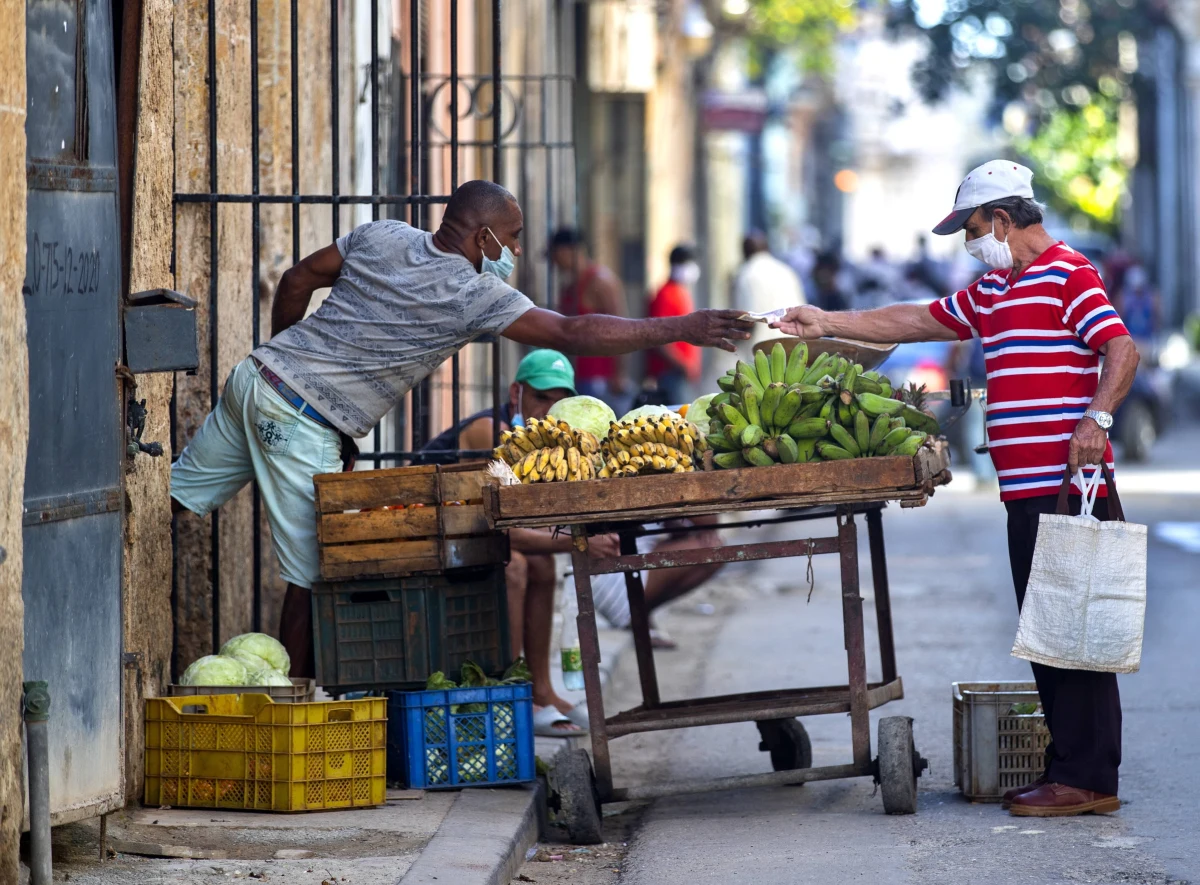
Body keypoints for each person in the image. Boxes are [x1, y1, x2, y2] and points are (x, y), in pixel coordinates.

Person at [169, 179, 755, 678]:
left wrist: (284, 355)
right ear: (484, 239)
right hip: (297, 421)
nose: (518, 250)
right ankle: (294, 699)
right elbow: (574, 332)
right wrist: (684, 324)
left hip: (253, 378)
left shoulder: (382, 234)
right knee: (317, 572)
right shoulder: (473, 293)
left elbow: (297, 280)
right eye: (514, 237)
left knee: (175, 495)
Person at [772, 159, 1140, 818]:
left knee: (1074, 631)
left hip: (1069, 486)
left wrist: (1097, 416)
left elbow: (1120, 349)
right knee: (1047, 630)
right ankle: (1073, 769)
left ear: (1001, 219)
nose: (971, 244)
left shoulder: (1069, 275)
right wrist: (825, 321)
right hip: (1024, 490)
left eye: (972, 230)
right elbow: (915, 319)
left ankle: (1087, 777)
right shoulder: (994, 291)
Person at [418, 349, 615, 736]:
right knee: (519, 564)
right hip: (429, 534)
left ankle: (541, 687)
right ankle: (514, 693)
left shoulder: (550, 446)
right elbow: (497, 526)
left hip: (471, 534)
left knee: (541, 563)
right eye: (542, 397)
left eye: (561, 400)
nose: (551, 408)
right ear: (516, 394)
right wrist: (578, 544)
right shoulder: (491, 431)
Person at [549, 227, 631, 415]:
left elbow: (621, 327)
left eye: (555, 255)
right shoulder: (570, 285)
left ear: (566, 251)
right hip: (576, 374)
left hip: (599, 377)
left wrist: (619, 374)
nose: (554, 262)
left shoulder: (600, 281)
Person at [645, 244, 704, 405]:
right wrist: (684, 365)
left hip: (681, 374)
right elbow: (659, 338)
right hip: (671, 372)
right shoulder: (666, 294)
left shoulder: (681, 291)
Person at [732, 231, 805, 357]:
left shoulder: (747, 274)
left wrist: (734, 340)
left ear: (744, 252)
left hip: (763, 349)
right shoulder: (786, 270)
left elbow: (748, 319)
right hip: (793, 344)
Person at [1114, 264, 1159, 344]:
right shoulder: (1123, 297)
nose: (1137, 294)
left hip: (1147, 338)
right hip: (1130, 337)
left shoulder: (1151, 297)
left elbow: (1156, 317)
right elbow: (1119, 317)